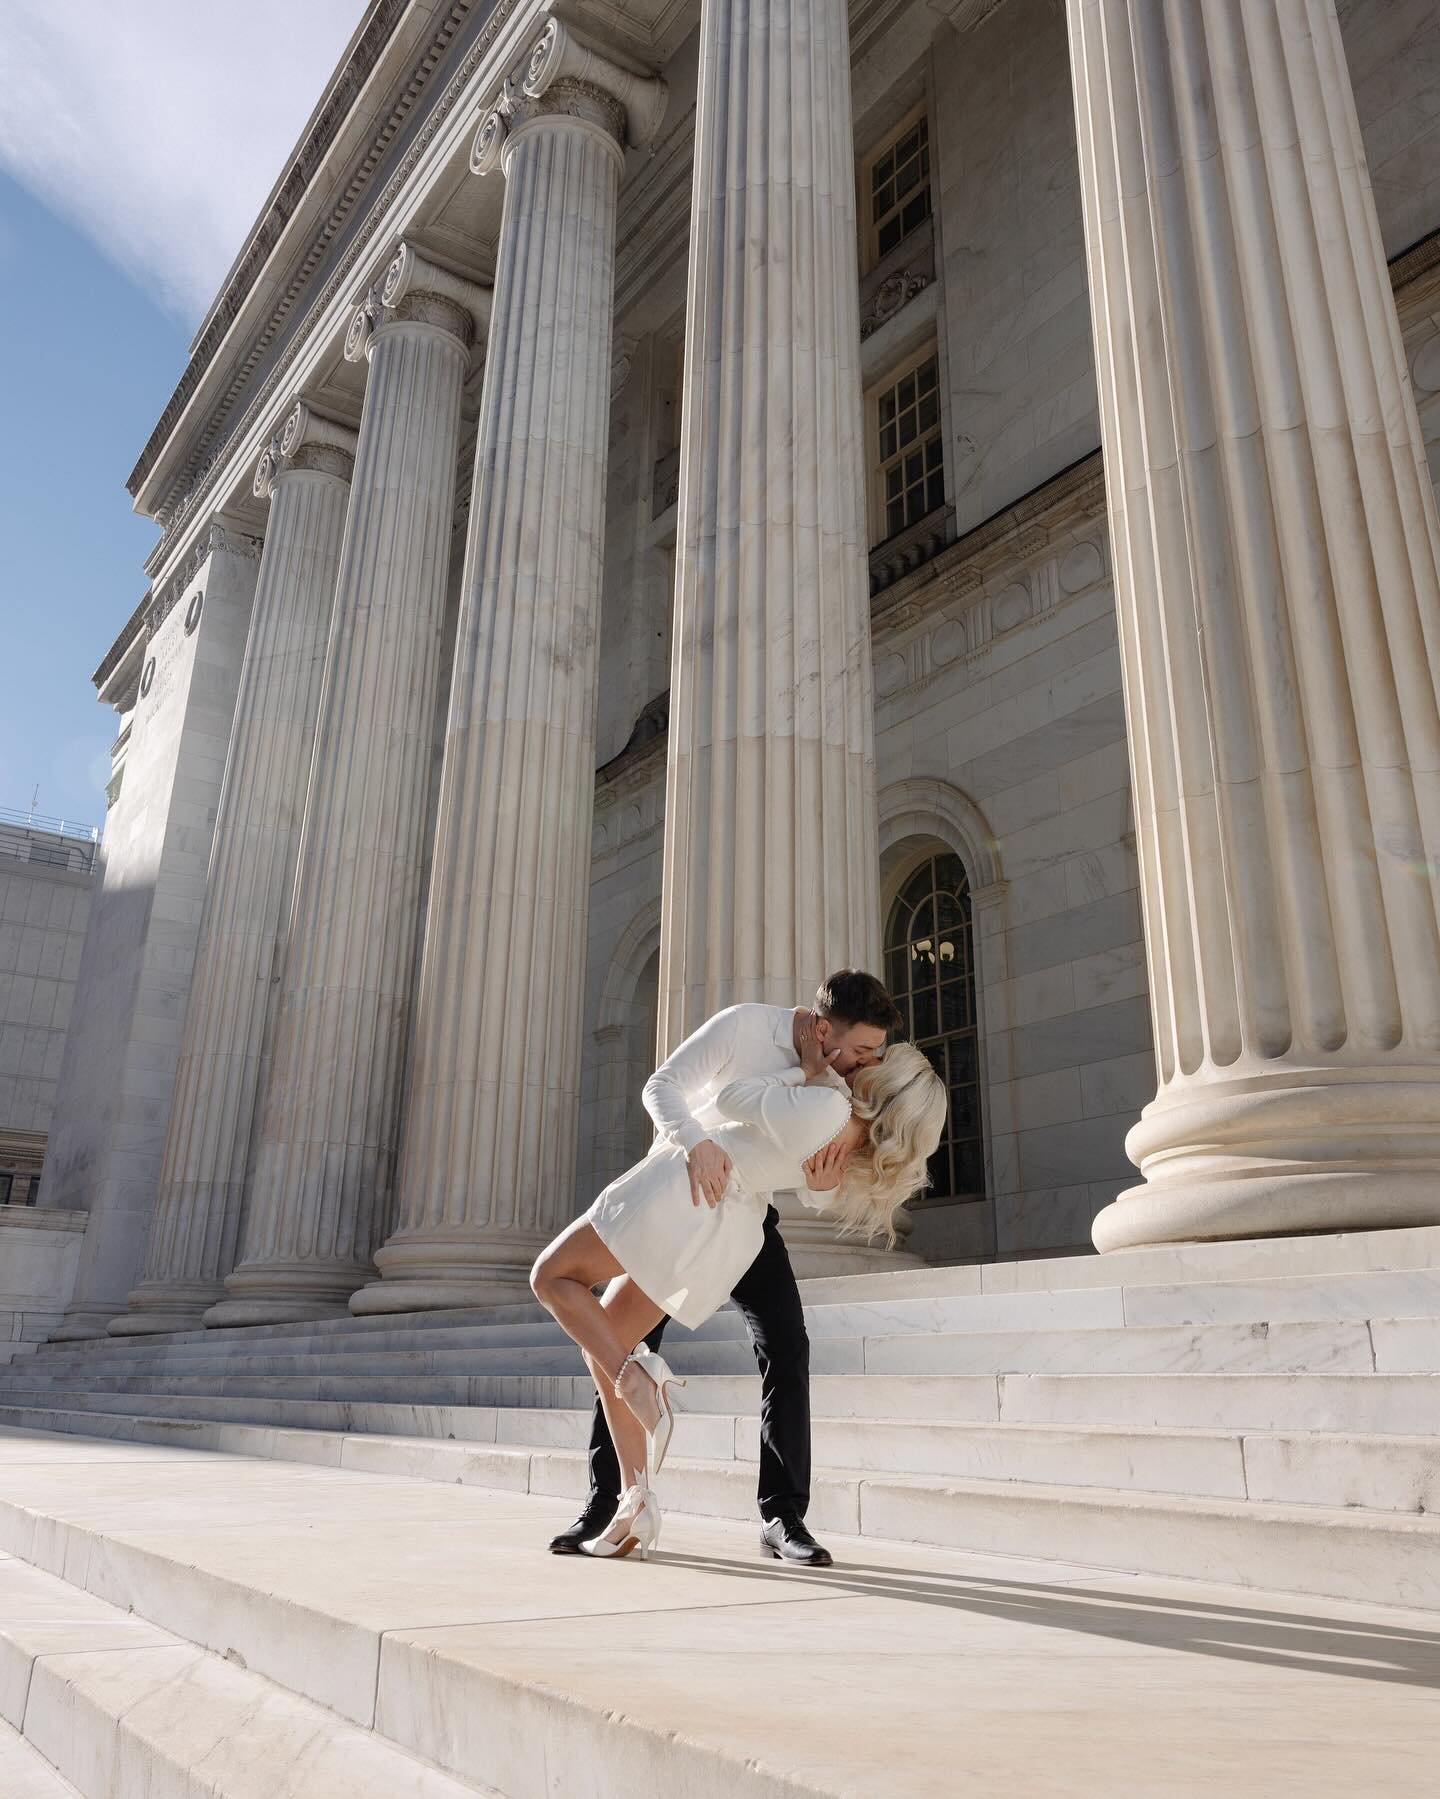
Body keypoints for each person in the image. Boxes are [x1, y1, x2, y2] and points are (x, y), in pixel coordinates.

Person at [530, 970, 947, 1563]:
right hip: (690, 1177)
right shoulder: (748, 1027)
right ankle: (616, 1501)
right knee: (609, 1337)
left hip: (738, 1210)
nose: (862, 1064)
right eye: (857, 1051)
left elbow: (812, 1178)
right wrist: (696, 1141)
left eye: (872, 1056)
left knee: (777, 1344)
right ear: (824, 1027)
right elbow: (663, 1086)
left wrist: (815, 1115)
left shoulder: (832, 1087)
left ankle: (782, 1515)